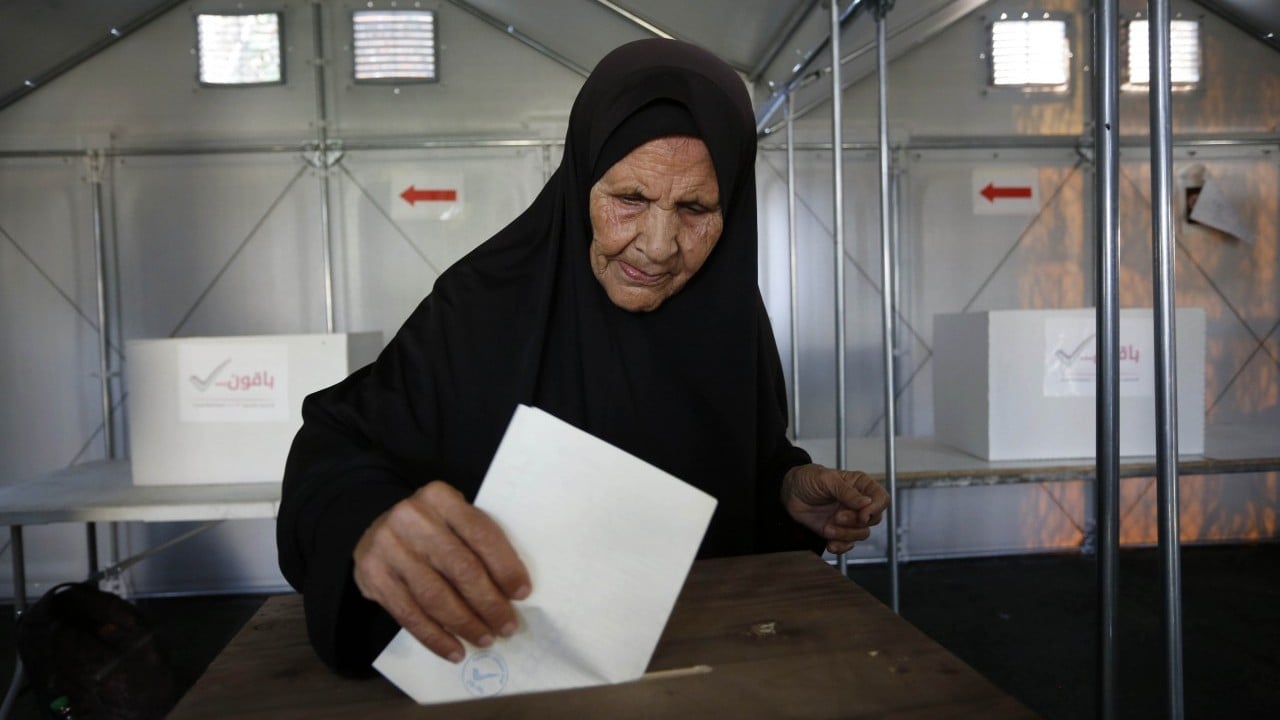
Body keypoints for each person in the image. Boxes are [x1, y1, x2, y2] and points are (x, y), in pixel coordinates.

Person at [276, 37, 890, 676]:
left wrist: (784, 489)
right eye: (630, 199)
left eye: (695, 208)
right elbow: (337, 446)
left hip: (700, 669)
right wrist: (368, 524)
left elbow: (728, 470)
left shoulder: (727, 316)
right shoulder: (480, 306)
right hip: (510, 678)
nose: (657, 246)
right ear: (580, 180)